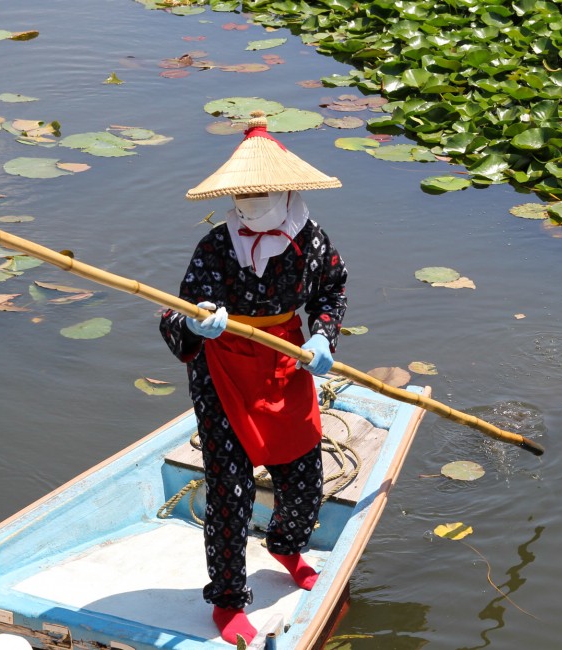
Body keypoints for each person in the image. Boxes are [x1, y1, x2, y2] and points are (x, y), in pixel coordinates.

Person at [159, 111, 347, 645]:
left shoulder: (311, 243)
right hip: (223, 370)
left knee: (304, 473)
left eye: (262, 194)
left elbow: (333, 290)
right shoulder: (216, 246)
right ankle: (227, 599)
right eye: (243, 196)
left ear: (287, 192)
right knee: (231, 488)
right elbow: (171, 314)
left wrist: (323, 338)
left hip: (286, 361)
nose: (250, 205)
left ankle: (287, 544)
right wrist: (197, 320)